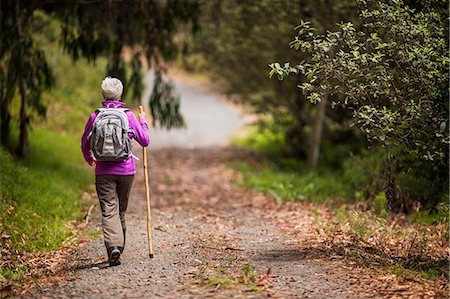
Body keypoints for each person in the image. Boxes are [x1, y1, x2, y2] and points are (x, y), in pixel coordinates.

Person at [81, 77, 150, 266]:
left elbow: (85, 142)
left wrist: (90, 158)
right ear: (120, 95)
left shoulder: (96, 116)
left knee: (108, 209)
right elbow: (145, 140)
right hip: (126, 170)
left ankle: (114, 247)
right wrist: (143, 122)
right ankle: (118, 248)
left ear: (103, 94)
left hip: (103, 170)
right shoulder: (127, 115)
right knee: (120, 210)